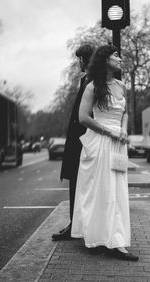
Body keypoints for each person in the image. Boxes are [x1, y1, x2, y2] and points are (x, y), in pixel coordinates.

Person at [71, 45, 139, 261]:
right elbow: (83, 117)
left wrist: (124, 130)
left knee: (117, 192)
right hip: (99, 143)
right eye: (116, 55)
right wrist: (109, 131)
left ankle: (117, 242)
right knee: (99, 191)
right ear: (104, 59)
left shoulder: (121, 85)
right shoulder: (92, 87)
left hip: (118, 143)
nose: (120, 58)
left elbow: (125, 113)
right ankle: (97, 238)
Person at [52, 44, 95, 241]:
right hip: (76, 140)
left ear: (86, 60)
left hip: (84, 141)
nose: (78, 63)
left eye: (80, 59)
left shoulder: (94, 81)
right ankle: (74, 224)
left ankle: (77, 227)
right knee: (75, 184)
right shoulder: (85, 80)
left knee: (81, 185)